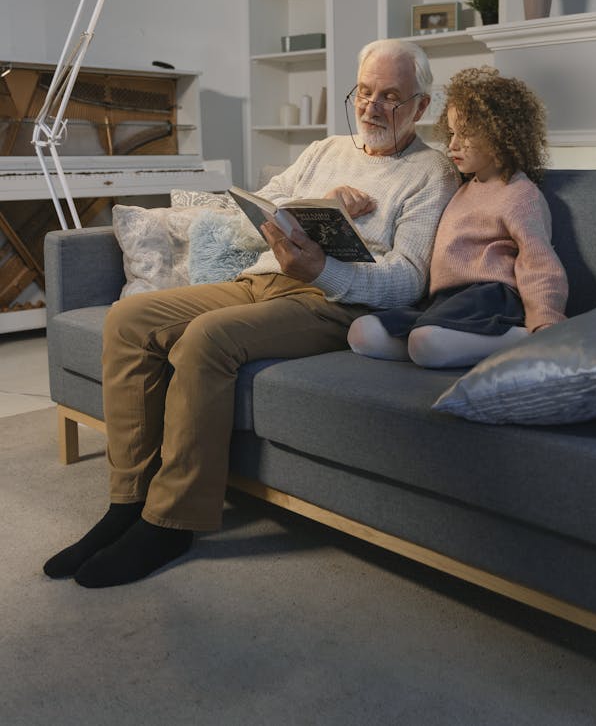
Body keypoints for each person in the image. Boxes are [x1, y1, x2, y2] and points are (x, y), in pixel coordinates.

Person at [44, 39, 460, 587]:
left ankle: (171, 522)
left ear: (421, 107)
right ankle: (129, 501)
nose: (372, 107)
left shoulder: (431, 173)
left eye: (390, 97)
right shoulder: (323, 151)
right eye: (363, 92)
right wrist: (313, 207)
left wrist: (323, 273)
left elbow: (409, 279)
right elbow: (247, 215)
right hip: (259, 280)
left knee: (205, 339)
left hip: (331, 304)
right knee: (129, 321)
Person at [347, 66, 568, 368]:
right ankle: (431, 346)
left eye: (466, 134)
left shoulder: (521, 195)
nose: (452, 145)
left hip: (490, 298)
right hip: (445, 301)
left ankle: (530, 341)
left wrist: (545, 321)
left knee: (425, 341)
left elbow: (539, 263)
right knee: (362, 333)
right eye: (452, 133)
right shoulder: (462, 187)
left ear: (501, 134)